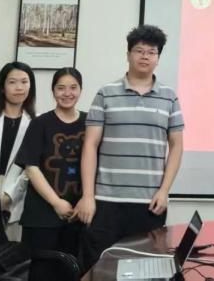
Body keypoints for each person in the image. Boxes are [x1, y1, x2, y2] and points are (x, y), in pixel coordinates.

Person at [76, 25, 184, 271]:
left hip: (149, 204)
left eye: (151, 52)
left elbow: (177, 146)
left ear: (158, 58)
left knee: (144, 270)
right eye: (139, 51)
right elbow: (90, 145)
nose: (145, 56)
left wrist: (164, 191)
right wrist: (88, 196)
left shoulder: (169, 97)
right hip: (106, 202)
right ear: (128, 54)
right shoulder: (106, 94)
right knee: (99, 269)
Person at [15, 67, 86, 278]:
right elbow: (31, 167)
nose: (67, 93)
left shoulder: (90, 123)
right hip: (42, 216)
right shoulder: (40, 123)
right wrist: (56, 202)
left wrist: (85, 200)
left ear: (80, 90)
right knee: (42, 274)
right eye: (61, 88)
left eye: (73, 87)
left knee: (71, 273)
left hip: (77, 216)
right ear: (53, 90)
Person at [0, 61, 37, 240]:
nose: (19, 87)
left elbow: (30, 167)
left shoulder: (35, 122)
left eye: (24, 82)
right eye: (12, 82)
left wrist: (10, 196)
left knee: (11, 249)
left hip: (16, 194)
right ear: (2, 87)